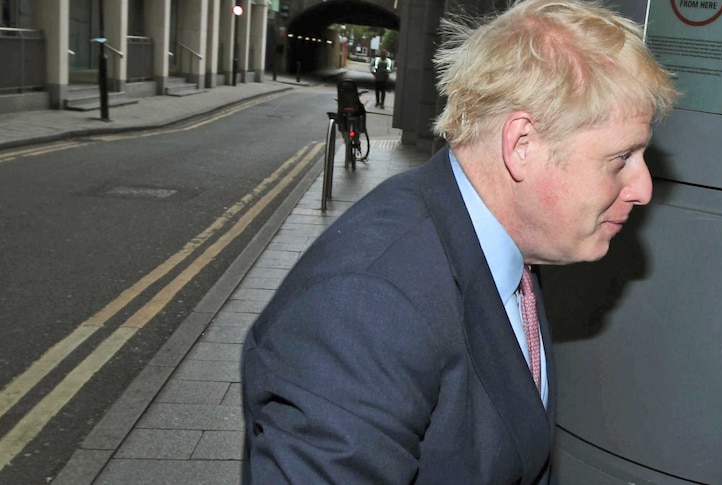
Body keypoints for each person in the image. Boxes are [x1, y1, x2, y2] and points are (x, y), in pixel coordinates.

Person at [241, 0, 677, 483]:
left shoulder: (504, 239)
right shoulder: (364, 309)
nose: (642, 188)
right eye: (621, 158)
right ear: (522, 146)